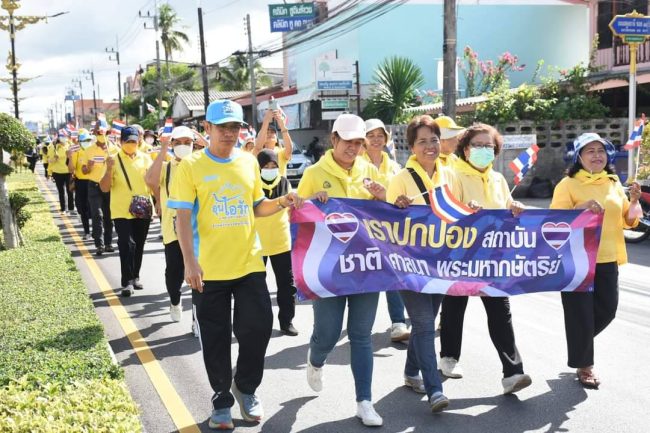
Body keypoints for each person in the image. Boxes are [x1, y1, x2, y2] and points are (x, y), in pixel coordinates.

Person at [167, 100, 303, 430]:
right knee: (215, 338)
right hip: (208, 269)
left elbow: (257, 207)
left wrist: (283, 201)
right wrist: (190, 263)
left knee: (257, 328)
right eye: (222, 127)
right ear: (207, 130)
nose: (229, 133)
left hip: (249, 263)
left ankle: (244, 387)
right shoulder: (192, 167)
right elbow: (182, 218)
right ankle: (221, 398)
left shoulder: (247, 162)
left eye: (234, 127)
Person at [297, 113, 387, 427]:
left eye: (358, 142)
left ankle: (364, 401)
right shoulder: (313, 172)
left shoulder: (369, 170)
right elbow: (298, 215)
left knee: (362, 336)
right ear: (333, 139)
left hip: (365, 268)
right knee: (329, 334)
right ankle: (316, 357)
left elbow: (384, 219)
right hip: (329, 268)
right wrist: (310, 201)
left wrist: (383, 198)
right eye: (347, 141)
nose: (353, 147)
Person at [439, 122, 532, 395]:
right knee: (455, 308)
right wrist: (464, 209)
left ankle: (513, 373)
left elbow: (506, 216)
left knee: (500, 313)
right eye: (477, 145)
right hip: (460, 256)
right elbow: (444, 210)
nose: (483, 150)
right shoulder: (452, 174)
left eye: (488, 146)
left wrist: (514, 209)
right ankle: (449, 358)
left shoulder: (499, 180)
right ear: (466, 150)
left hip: (492, 258)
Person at [550, 132, 641, 388]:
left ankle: (579, 343)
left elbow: (629, 220)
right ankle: (584, 365)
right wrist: (579, 209)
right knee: (580, 314)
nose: (596, 156)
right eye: (590, 151)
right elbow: (553, 221)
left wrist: (633, 201)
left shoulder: (613, 183)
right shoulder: (567, 185)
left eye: (601, 151)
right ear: (579, 156)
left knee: (607, 310)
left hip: (607, 258)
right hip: (575, 259)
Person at [386, 115, 461, 413]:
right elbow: (387, 226)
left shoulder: (450, 174)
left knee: (425, 320)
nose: (430, 146)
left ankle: (410, 372)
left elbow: (460, 214)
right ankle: (434, 389)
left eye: (434, 140)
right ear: (412, 147)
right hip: (409, 266)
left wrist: (473, 210)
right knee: (424, 323)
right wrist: (397, 207)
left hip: (442, 263)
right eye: (422, 141)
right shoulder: (401, 179)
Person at [364, 118, 410, 343]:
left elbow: (400, 191)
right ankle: (358, 325)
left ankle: (398, 322)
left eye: (380, 135)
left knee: (394, 272)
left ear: (386, 139)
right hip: (362, 230)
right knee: (363, 275)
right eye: (370, 135)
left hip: (389, 228)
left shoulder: (393, 166)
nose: (375, 140)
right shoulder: (355, 163)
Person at [145, 126, 194, 323]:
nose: (183, 146)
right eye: (179, 142)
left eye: (187, 143)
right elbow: (150, 180)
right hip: (172, 228)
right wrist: (163, 149)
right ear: (173, 144)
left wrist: (205, 142)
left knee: (200, 272)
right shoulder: (167, 166)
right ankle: (175, 301)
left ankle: (197, 320)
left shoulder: (200, 164)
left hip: (198, 227)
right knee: (174, 272)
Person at [100, 126, 153, 297]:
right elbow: (104, 187)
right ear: (121, 142)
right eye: (128, 141)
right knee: (126, 244)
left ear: (139, 140)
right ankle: (127, 281)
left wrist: (159, 202)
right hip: (121, 210)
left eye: (134, 141)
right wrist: (108, 169)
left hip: (142, 209)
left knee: (139, 244)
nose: (131, 144)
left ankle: (135, 276)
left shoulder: (145, 158)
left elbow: (153, 182)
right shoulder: (112, 159)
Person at [256, 148, 299, 336]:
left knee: (287, 285)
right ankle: (261, 322)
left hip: (281, 241)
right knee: (257, 287)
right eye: (265, 166)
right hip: (257, 244)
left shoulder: (284, 182)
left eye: (273, 165)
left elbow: (293, 208)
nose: (270, 168)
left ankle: (287, 321)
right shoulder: (252, 183)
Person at [81, 124, 117, 255]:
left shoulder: (114, 149)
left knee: (109, 215)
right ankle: (99, 245)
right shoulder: (89, 150)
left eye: (103, 132)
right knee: (97, 214)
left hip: (109, 186)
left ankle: (108, 243)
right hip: (94, 185)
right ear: (95, 134)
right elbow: (84, 171)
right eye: (98, 132)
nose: (101, 135)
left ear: (108, 133)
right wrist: (88, 167)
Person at [67, 128, 93, 240]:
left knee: (94, 209)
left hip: (94, 182)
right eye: (84, 140)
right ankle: (87, 232)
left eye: (88, 140)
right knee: (82, 208)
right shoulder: (76, 152)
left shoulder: (93, 150)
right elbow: (71, 169)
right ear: (79, 141)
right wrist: (70, 158)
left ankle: (97, 232)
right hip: (81, 183)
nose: (87, 142)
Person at [254, 107, 292, 176]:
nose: (269, 134)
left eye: (272, 132)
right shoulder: (258, 152)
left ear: (276, 138)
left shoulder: (281, 152)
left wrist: (282, 126)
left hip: (280, 186)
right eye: (266, 132)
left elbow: (289, 150)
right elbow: (258, 147)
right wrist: (266, 120)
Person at [48, 134, 74, 214]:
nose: (64, 138)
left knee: (70, 190)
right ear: (59, 138)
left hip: (69, 172)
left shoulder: (70, 145)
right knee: (61, 191)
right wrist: (54, 159)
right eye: (62, 137)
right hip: (57, 173)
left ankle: (71, 208)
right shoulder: (53, 147)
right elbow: (49, 160)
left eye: (65, 137)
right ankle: (63, 209)